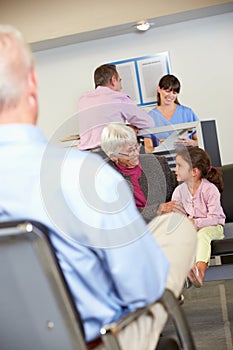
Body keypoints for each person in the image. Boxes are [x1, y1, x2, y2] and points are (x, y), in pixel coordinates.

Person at [0, 25, 197, 350]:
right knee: (178, 231)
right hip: (99, 342)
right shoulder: (84, 178)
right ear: (32, 84)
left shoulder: (86, 154)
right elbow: (142, 288)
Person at [100, 122, 179, 223]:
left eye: (136, 146)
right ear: (113, 156)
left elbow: (177, 191)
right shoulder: (105, 177)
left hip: (167, 222)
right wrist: (157, 210)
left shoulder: (158, 162)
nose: (136, 153)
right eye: (129, 151)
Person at [172, 146, 225, 288]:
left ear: (194, 172)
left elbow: (214, 218)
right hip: (192, 230)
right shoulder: (179, 191)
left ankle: (199, 272)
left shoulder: (209, 189)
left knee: (203, 235)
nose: (175, 169)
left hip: (213, 228)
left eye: (179, 166)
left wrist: (194, 222)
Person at [77, 64, 154, 150]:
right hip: (113, 152)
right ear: (113, 80)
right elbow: (148, 122)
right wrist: (128, 129)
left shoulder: (83, 100)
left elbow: (103, 123)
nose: (121, 86)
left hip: (88, 156)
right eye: (120, 81)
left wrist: (123, 128)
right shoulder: (118, 98)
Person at [144, 74, 199, 153]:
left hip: (187, 159)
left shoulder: (187, 113)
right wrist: (160, 147)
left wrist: (191, 143)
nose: (171, 95)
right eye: (167, 91)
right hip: (163, 161)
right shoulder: (150, 117)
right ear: (159, 89)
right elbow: (148, 149)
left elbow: (200, 141)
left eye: (174, 92)